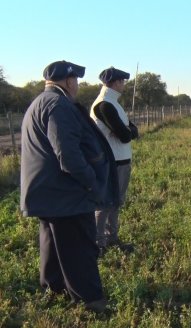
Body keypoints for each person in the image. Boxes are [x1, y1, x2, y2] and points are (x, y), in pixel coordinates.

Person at [20, 60, 119, 313]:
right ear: (67, 81)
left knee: (52, 244)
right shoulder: (59, 106)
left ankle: (53, 290)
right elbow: (69, 156)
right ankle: (91, 302)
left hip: (45, 192)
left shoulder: (39, 102)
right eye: (76, 80)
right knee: (80, 248)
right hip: (65, 194)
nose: (77, 85)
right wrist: (91, 182)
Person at [90, 67, 138, 255]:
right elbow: (126, 135)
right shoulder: (104, 105)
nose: (124, 85)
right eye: (122, 81)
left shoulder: (112, 103)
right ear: (116, 83)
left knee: (116, 201)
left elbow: (127, 129)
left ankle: (111, 239)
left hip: (120, 159)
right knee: (105, 203)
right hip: (112, 161)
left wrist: (128, 130)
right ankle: (99, 244)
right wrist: (128, 131)